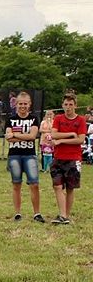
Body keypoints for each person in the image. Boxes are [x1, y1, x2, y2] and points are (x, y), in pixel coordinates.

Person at [4, 92, 43, 222]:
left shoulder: (34, 118)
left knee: (34, 184)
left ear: (29, 104)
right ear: (16, 104)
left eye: (25, 104)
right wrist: (23, 135)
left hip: (30, 155)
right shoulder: (10, 119)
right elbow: (8, 139)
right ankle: (17, 213)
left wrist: (16, 134)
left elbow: (32, 136)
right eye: (20, 103)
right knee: (16, 184)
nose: (23, 106)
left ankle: (37, 213)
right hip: (14, 155)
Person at [49, 92, 87, 224]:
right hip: (58, 158)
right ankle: (62, 214)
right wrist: (71, 134)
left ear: (75, 106)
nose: (68, 107)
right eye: (66, 104)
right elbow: (53, 134)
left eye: (71, 104)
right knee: (57, 186)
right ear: (62, 105)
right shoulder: (58, 118)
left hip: (73, 158)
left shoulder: (81, 120)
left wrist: (61, 141)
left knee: (70, 188)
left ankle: (65, 216)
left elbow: (80, 140)